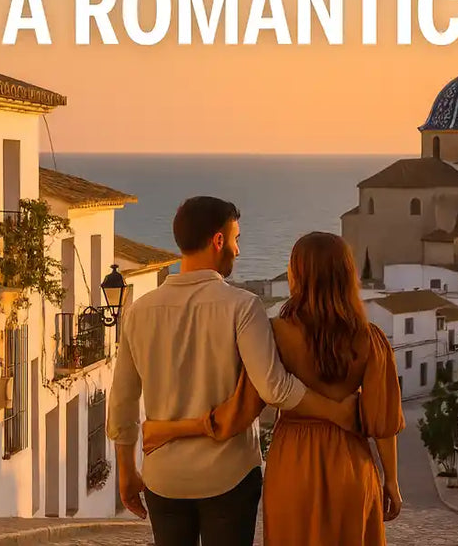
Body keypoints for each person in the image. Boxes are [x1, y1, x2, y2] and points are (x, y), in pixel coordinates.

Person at [106, 197, 358, 546]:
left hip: (164, 477)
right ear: (218, 241)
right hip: (228, 475)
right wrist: (337, 411)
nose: (238, 251)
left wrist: (125, 471)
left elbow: (122, 400)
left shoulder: (139, 312)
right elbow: (275, 389)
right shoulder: (243, 306)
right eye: (236, 238)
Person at [142, 231, 405, 545]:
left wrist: (174, 429)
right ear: (347, 275)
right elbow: (383, 422)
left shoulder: (276, 334)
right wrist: (392, 481)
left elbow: (242, 408)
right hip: (350, 464)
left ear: (296, 274)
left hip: (291, 464)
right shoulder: (370, 340)